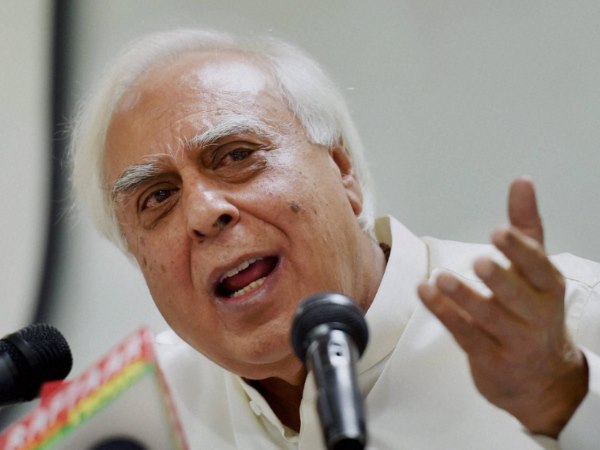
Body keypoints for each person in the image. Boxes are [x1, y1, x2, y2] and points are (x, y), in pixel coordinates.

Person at [70, 29, 600, 449]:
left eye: (236, 156)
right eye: (158, 196)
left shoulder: (568, 330)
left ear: (343, 170)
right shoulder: (133, 419)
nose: (205, 212)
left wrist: (562, 402)